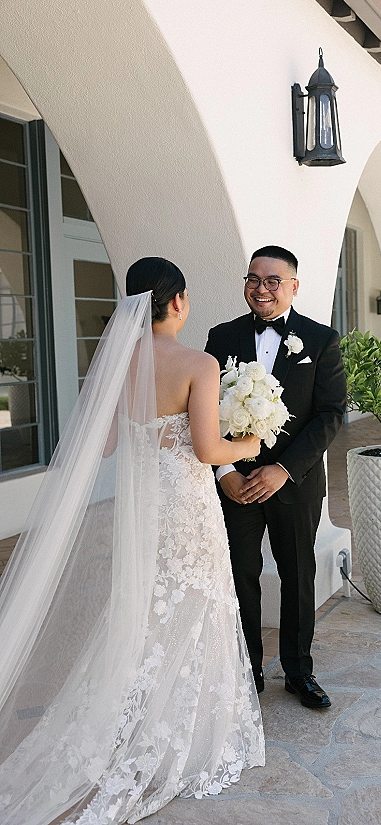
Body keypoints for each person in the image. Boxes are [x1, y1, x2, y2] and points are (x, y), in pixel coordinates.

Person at [0, 257, 264, 825]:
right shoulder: (199, 362)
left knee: (146, 611)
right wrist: (250, 443)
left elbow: (108, 446)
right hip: (188, 511)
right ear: (177, 302)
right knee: (195, 608)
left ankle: (139, 720)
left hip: (142, 510)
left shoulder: (117, 362)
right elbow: (207, 450)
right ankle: (185, 737)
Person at [205, 245, 346, 709]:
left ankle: (299, 673)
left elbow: (329, 415)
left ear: (293, 287)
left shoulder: (321, 340)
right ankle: (247, 671)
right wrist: (224, 471)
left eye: (271, 281)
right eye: (252, 279)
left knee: (297, 575)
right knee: (240, 574)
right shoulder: (221, 337)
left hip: (295, 483)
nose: (260, 289)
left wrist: (283, 470)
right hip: (236, 484)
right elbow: (202, 413)